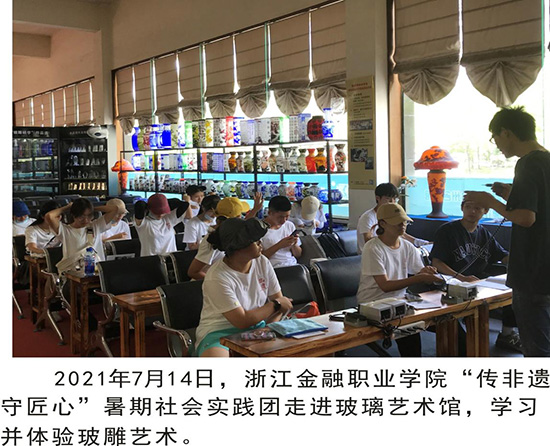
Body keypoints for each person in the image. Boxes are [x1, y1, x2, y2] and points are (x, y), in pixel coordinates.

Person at [464, 106, 550, 357]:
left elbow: (526, 218)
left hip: (533, 273)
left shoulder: (527, 164)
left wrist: (489, 201)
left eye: (495, 138)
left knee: (537, 349)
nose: (497, 145)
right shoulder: (546, 160)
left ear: (506, 132)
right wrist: (511, 195)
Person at [430, 199, 520, 352]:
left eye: (477, 208)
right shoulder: (447, 231)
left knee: (514, 288)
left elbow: (502, 255)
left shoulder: (483, 232)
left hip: (480, 280)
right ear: (462, 208)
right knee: (463, 345)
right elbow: (436, 262)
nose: (472, 211)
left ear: (485, 211)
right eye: (468, 207)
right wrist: (461, 277)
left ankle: (507, 333)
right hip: (453, 282)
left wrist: (522, 262)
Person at [195, 218, 293, 357]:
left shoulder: (262, 262)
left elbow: (280, 305)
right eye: (255, 241)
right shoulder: (217, 277)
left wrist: (267, 328)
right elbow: (241, 321)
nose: (260, 243)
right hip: (219, 332)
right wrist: (275, 305)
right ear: (238, 247)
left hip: (258, 327)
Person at [356, 203, 444, 356]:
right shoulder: (373, 248)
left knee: (445, 321)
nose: (402, 225)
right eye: (397, 222)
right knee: (410, 335)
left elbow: (419, 270)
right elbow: (385, 286)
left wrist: (427, 272)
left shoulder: (406, 246)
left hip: (399, 302)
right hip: (373, 305)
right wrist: (420, 278)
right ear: (382, 223)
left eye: (404, 221)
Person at [188, 193, 263, 281]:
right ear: (237, 218)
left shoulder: (231, 232)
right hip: (209, 284)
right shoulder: (211, 241)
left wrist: (255, 209)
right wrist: (220, 282)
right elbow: (193, 272)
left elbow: (244, 223)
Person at [46, 198, 122, 272]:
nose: (86, 220)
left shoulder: (96, 226)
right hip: (74, 270)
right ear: (74, 215)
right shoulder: (65, 230)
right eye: (81, 217)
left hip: (96, 270)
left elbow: (115, 209)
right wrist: (68, 207)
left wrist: (92, 209)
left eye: (89, 216)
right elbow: (49, 216)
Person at [356, 182, 429, 254]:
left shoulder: (392, 216)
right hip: (370, 254)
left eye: (395, 199)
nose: (392, 202)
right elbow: (368, 241)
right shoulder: (368, 217)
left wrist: (424, 243)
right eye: (388, 199)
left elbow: (403, 235)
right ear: (377, 198)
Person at [260, 196, 302, 268]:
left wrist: (294, 244)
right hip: (273, 268)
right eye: (280, 217)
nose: (284, 220)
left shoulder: (289, 225)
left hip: (293, 265)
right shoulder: (259, 229)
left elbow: (298, 255)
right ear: (270, 213)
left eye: (287, 216)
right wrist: (279, 245)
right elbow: (259, 259)